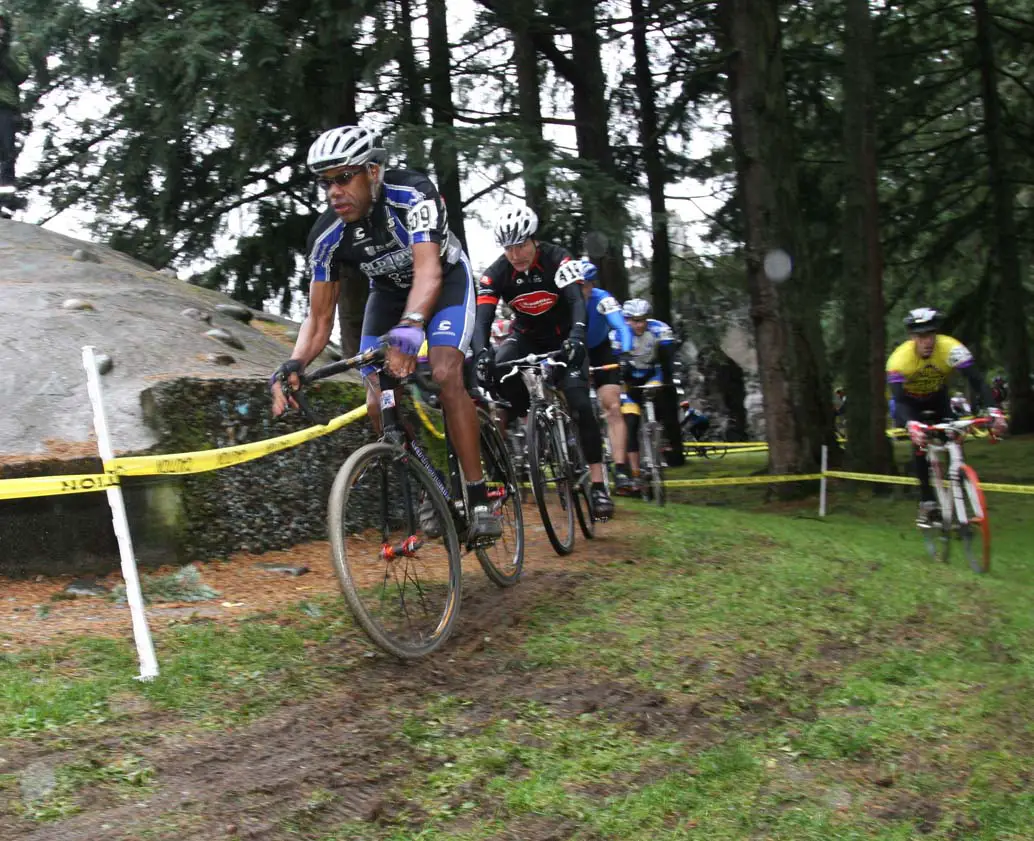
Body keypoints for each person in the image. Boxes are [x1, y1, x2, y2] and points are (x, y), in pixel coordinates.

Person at [270, 124, 500, 541]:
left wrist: (411, 330)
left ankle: (478, 493)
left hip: (444, 280)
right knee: (377, 398)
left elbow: (428, 271)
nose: (333, 192)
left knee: (447, 373)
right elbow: (320, 319)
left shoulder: (413, 194)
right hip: (390, 294)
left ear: (373, 172)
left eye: (344, 177)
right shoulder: (326, 236)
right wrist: (294, 362)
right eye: (326, 182)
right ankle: (433, 483)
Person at [472, 203, 615, 518]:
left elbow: (577, 300)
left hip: (564, 336)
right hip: (526, 335)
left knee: (580, 405)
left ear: (533, 239)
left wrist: (578, 335)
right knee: (497, 367)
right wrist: (482, 352)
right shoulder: (496, 272)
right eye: (509, 248)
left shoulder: (557, 258)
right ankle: (532, 419)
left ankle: (598, 484)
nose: (516, 254)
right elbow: (482, 319)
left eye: (521, 245)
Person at [886, 307, 1007, 527]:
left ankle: (958, 487)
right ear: (913, 337)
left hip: (937, 397)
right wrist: (911, 424)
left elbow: (978, 381)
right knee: (920, 443)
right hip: (909, 402)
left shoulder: (951, 348)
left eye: (931, 334)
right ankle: (927, 501)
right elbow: (899, 400)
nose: (927, 341)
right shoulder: (899, 360)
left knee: (953, 436)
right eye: (921, 336)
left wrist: (994, 410)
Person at [579, 258, 635, 493]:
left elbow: (621, 327)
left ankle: (621, 468)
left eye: (585, 285)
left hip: (601, 351)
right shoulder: (562, 301)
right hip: (576, 351)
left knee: (612, 407)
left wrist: (624, 350)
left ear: (592, 285)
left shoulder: (603, 299)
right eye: (577, 285)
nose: (582, 290)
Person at [617, 298, 677, 485]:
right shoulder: (618, 334)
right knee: (631, 424)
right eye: (634, 320)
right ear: (626, 319)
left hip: (651, 375)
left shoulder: (659, 329)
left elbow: (668, 357)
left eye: (642, 319)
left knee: (664, 396)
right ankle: (635, 472)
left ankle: (662, 439)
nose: (639, 324)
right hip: (629, 382)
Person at [0, 9, 29, 197]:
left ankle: (5, 201)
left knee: (6, 153)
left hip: (5, 106)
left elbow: (21, 75)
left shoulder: (15, 48)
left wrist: (3, 51)